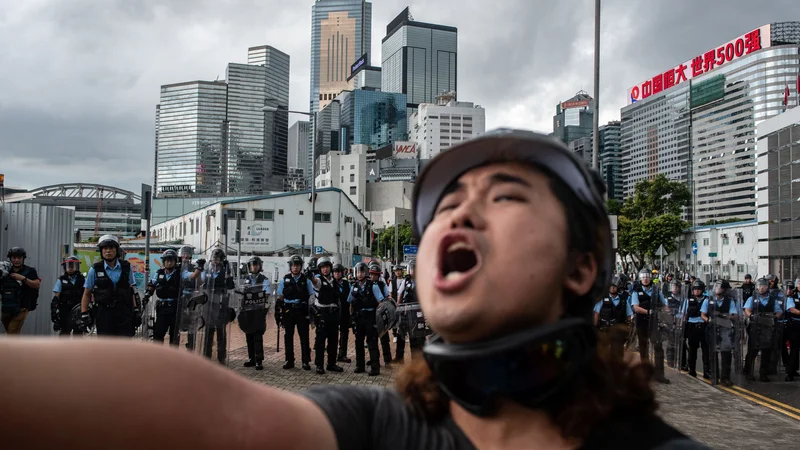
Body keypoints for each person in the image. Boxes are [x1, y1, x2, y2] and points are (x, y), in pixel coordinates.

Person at [0, 129, 709, 450]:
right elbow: (205, 409)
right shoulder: (384, 429)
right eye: (446, 204)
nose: (458, 212)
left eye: (505, 195)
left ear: (583, 269)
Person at [80, 235, 138, 337]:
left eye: (111, 248)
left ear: (117, 250)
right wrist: (84, 313)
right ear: (101, 251)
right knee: (106, 346)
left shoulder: (126, 267)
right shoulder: (95, 269)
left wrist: (136, 309)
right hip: (104, 313)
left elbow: (131, 290)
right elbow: (86, 293)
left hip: (124, 312)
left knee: (124, 345)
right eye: (105, 248)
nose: (108, 251)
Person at [276, 255, 315, 370]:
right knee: (288, 336)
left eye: (298, 265)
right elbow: (280, 296)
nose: (295, 267)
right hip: (288, 310)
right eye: (293, 265)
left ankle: (305, 361)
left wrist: (311, 311)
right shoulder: (285, 279)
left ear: (301, 266)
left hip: (301, 311)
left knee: (304, 337)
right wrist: (278, 310)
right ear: (290, 266)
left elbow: (311, 295)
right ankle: (289, 360)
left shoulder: (306, 280)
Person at [631, 268, 670, 383]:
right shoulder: (636, 291)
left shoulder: (656, 291)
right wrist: (648, 312)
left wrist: (669, 312)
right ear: (640, 279)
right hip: (642, 322)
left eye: (647, 277)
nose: (645, 279)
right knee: (644, 348)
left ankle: (659, 374)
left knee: (658, 347)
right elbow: (636, 307)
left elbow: (664, 304)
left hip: (654, 322)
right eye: (643, 277)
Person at [348, 262, 386, 376]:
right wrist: (352, 317)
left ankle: (375, 367)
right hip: (359, 318)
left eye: (362, 271)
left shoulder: (373, 286)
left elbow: (380, 303)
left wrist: (379, 319)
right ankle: (360, 366)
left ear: (366, 272)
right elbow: (350, 303)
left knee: (372, 342)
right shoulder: (354, 286)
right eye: (358, 272)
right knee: (358, 342)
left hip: (370, 317)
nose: (360, 274)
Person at [700, 280, 739, 387]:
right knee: (712, 354)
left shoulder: (729, 301)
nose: (717, 289)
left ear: (725, 290)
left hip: (725, 329)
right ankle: (714, 376)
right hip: (712, 329)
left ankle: (725, 378)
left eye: (720, 287)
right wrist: (708, 320)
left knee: (726, 354)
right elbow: (703, 314)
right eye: (716, 287)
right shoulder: (708, 300)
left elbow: (734, 315)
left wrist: (725, 316)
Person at [744, 277, 782, 382]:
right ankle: (748, 372)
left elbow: (779, 311)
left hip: (767, 329)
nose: (761, 288)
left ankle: (763, 374)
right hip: (755, 328)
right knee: (752, 352)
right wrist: (751, 316)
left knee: (766, 352)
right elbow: (747, 310)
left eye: (763, 286)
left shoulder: (772, 299)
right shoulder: (752, 298)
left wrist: (775, 317)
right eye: (759, 286)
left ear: (767, 287)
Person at [200, 248, 235, 364]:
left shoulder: (225, 272)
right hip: (208, 305)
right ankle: (207, 356)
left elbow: (230, 286)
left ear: (222, 260)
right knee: (209, 331)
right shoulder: (207, 271)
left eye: (218, 258)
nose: (215, 261)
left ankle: (221, 357)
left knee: (221, 332)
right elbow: (201, 282)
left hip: (221, 305)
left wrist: (228, 273)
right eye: (214, 258)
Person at [310, 257, 344, 374]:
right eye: (323, 267)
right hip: (322, 314)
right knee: (320, 341)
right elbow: (315, 282)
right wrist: (310, 276)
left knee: (333, 340)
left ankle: (331, 363)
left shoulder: (334, 281)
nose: (325, 269)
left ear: (330, 267)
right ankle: (319, 365)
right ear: (320, 269)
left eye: (327, 267)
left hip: (333, 314)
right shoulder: (319, 280)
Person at [237, 256, 270, 371]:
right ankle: (251, 358)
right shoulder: (246, 279)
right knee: (248, 335)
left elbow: (267, 294)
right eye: (251, 265)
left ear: (259, 266)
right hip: (247, 311)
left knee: (257, 336)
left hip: (258, 311)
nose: (253, 267)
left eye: (255, 265)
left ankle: (258, 360)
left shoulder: (264, 279)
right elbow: (241, 293)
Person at [143, 249, 181, 345]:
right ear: (163, 262)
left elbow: (191, 277)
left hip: (175, 307)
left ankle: (173, 358)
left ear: (175, 261)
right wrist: (147, 295)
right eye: (166, 260)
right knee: (158, 334)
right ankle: (159, 357)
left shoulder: (180, 273)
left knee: (174, 335)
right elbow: (152, 284)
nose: (168, 262)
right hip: (162, 308)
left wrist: (198, 269)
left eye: (171, 260)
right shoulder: (159, 273)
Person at [1, 247, 40, 335]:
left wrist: (23, 279)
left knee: (12, 331)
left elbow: (37, 284)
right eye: (14, 258)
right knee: (10, 331)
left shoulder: (30, 271)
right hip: (7, 306)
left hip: (22, 306)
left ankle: (12, 348)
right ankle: (15, 347)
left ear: (23, 258)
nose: (17, 260)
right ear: (10, 258)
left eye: (19, 258)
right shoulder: (6, 271)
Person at [593, 274, 633, 359]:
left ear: (618, 287)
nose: (612, 288)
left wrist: (629, 330)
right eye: (610, 286)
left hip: (618, 331)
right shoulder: (602, 299)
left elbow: (629, 316)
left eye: (614, 286)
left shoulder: (623, 299)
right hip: (604, 330)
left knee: (618, 355)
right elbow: (596, 314)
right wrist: (594, 328)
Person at [395, 260, 425, 361]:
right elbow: (400, 295)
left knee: (417, 337)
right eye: (411, 269)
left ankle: (417, 360)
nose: (413, 271)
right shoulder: (406, 281)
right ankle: (399, 358)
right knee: (401, 335)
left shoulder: (423, 281)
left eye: (415, 269)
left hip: (418, 313)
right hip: (406, 311)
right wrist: (398, 308)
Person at [51, 256, 85, 336]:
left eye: (72, 266)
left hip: (78, 309)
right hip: (64, 309)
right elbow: (56, 296)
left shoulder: (83, 279)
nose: (70, 268)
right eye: (68, 266)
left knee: (78, 333)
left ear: (76, 267)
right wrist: (53, 311)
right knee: (64, 332)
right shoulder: (61, 280)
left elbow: (88, 294)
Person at [369, 260, 393, 366]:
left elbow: (387, 297)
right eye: (371, 274)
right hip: (370, 314)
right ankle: (374, 358)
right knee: (371, 339)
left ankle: (387, 359)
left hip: (381, 313)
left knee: (384, 338)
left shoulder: (382, 285)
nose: (373, 276)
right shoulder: (367, 285)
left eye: (375, 275)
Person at [685, 280, 710, 379]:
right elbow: (684, 314)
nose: (696, 291)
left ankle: (707, 371)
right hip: (692, 326)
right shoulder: (689, 300)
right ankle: (692, 370)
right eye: (694, 289)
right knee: (692, 350)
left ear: (702, 290)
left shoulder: (707, 300)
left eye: (698, 289)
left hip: (704, 326)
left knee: (706, 350)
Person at [333, 263, 352, 363]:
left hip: (344, 312)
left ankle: (342, 354)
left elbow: (350, 298)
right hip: (334, 313)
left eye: (338, 272)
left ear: (342, 273)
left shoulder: (346, 284)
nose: (336, 274)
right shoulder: (331, 283)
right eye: (335, 272)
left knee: (344, 334)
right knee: (333, 334)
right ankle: (333, 355)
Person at [784, 283, 800, 381]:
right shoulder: (792, 297)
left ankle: (794, 369)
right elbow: (791, 309)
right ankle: (790, 373)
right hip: (795, 325)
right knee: (794, 349)